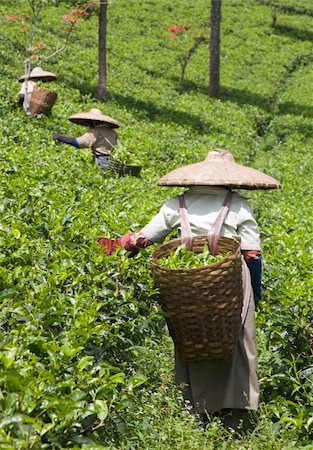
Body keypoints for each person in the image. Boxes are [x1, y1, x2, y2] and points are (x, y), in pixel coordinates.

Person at [97, 149, 281, 430]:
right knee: (239, 339)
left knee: (193, 336)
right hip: (230, 278)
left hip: (187, 279)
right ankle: (236, 411)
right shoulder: (239, 205)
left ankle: (196, 406)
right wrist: (255, 293)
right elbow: (252, 254)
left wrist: (124, 243)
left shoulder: (176, 204)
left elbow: (145, 238)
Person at [52, 108, 121, 171]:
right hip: (114, 160)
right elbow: (118, 146)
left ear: (93, 121)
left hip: (102, 160)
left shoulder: (95, 131)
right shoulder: (112, 132)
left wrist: (61, 137)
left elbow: (80, 143)